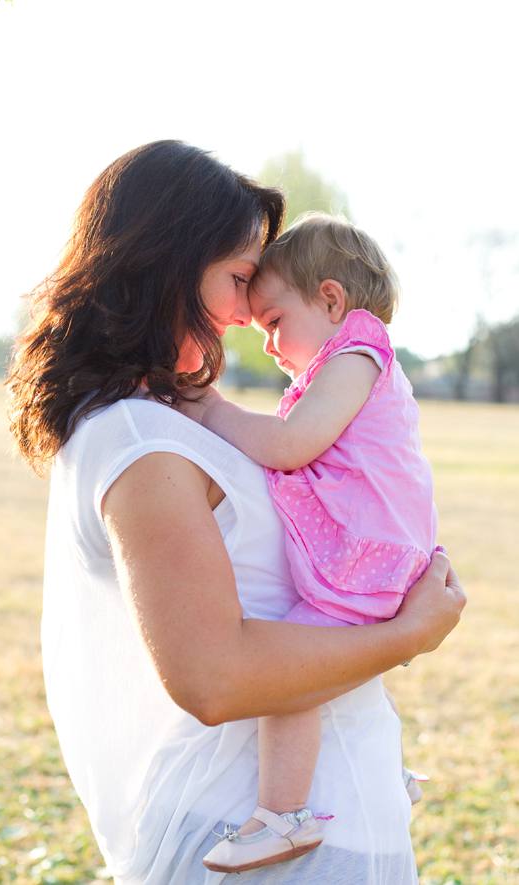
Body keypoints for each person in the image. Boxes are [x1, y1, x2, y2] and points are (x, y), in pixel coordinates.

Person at [5, 141, 465, 883]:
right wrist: (410, 631)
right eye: (240, 278)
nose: (249, 316)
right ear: (171, 262)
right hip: (258, 840)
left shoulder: (166, 414)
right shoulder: (138, 440)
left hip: (332, 821)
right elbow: (215, 677)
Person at [178, 214, 437, 873]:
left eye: (272, 321)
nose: (266, 342)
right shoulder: (345, 359)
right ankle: (386, 773)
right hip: (379, 548)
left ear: (330, 299)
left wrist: (212, 411)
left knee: (292, 672)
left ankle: (284, 816)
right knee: (338, 661)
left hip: (370, 551)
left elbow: (293, 446)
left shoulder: (356, 353)